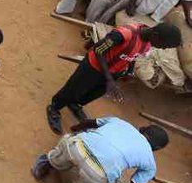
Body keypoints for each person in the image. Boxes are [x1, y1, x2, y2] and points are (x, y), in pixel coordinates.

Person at [45, 23, 181, 134]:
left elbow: (134, 56)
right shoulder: (124, 34)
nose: (162, 48)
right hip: (94, 67)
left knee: (95, 93)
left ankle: (75, 104)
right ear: (156, 35)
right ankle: (55, 107)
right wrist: (109, 78)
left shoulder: (149, 42)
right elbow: (98, 49)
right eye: (164, 45)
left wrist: (127, 70)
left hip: (112, 72)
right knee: (74, 88)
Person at [33, 117, 168, 183]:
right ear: (155, 149)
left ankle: (45, 165)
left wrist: (74, 129)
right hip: (97, 174)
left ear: (141, 129)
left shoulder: (120, 122)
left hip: (75, 147)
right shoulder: (150, 163)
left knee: (68, 144)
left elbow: (88, 122)